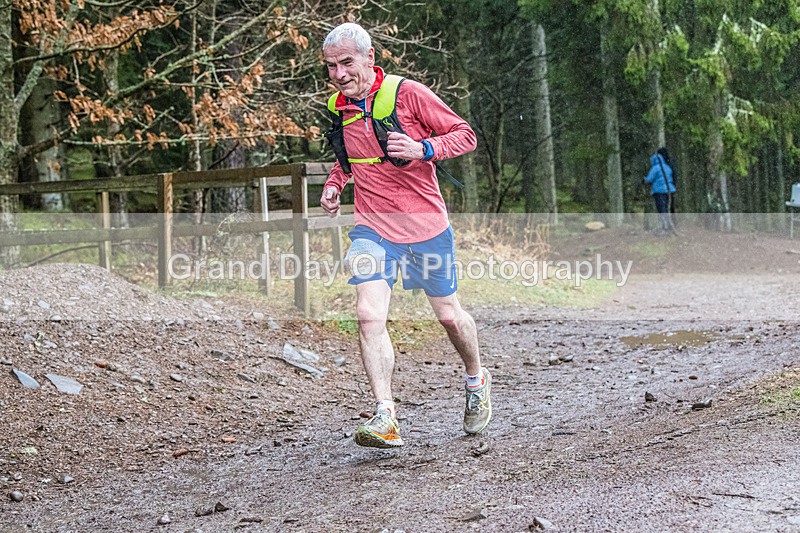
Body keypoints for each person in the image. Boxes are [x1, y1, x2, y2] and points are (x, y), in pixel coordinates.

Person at [319, 22, 491, 448]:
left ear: (370, 58)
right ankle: (385, 416)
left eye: (346, 63)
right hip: (373, 229)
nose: (339, 74)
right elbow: (350, 157)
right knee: (367, 314)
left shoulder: (408, 93)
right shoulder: (339, 106)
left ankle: (476, 379)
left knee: (449, 316)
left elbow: (465, 135)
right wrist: (335, 183)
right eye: (330, 67)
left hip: (426, 227)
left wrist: (424, 149)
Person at [645, 148, 677, 234]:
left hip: (660, 191)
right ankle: (671, 226)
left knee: (662, 209)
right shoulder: (667, 167)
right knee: (668, 208)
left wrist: (644, 179)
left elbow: (649, 179)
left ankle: (665, 228)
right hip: (670, 190)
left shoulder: (655, 168)